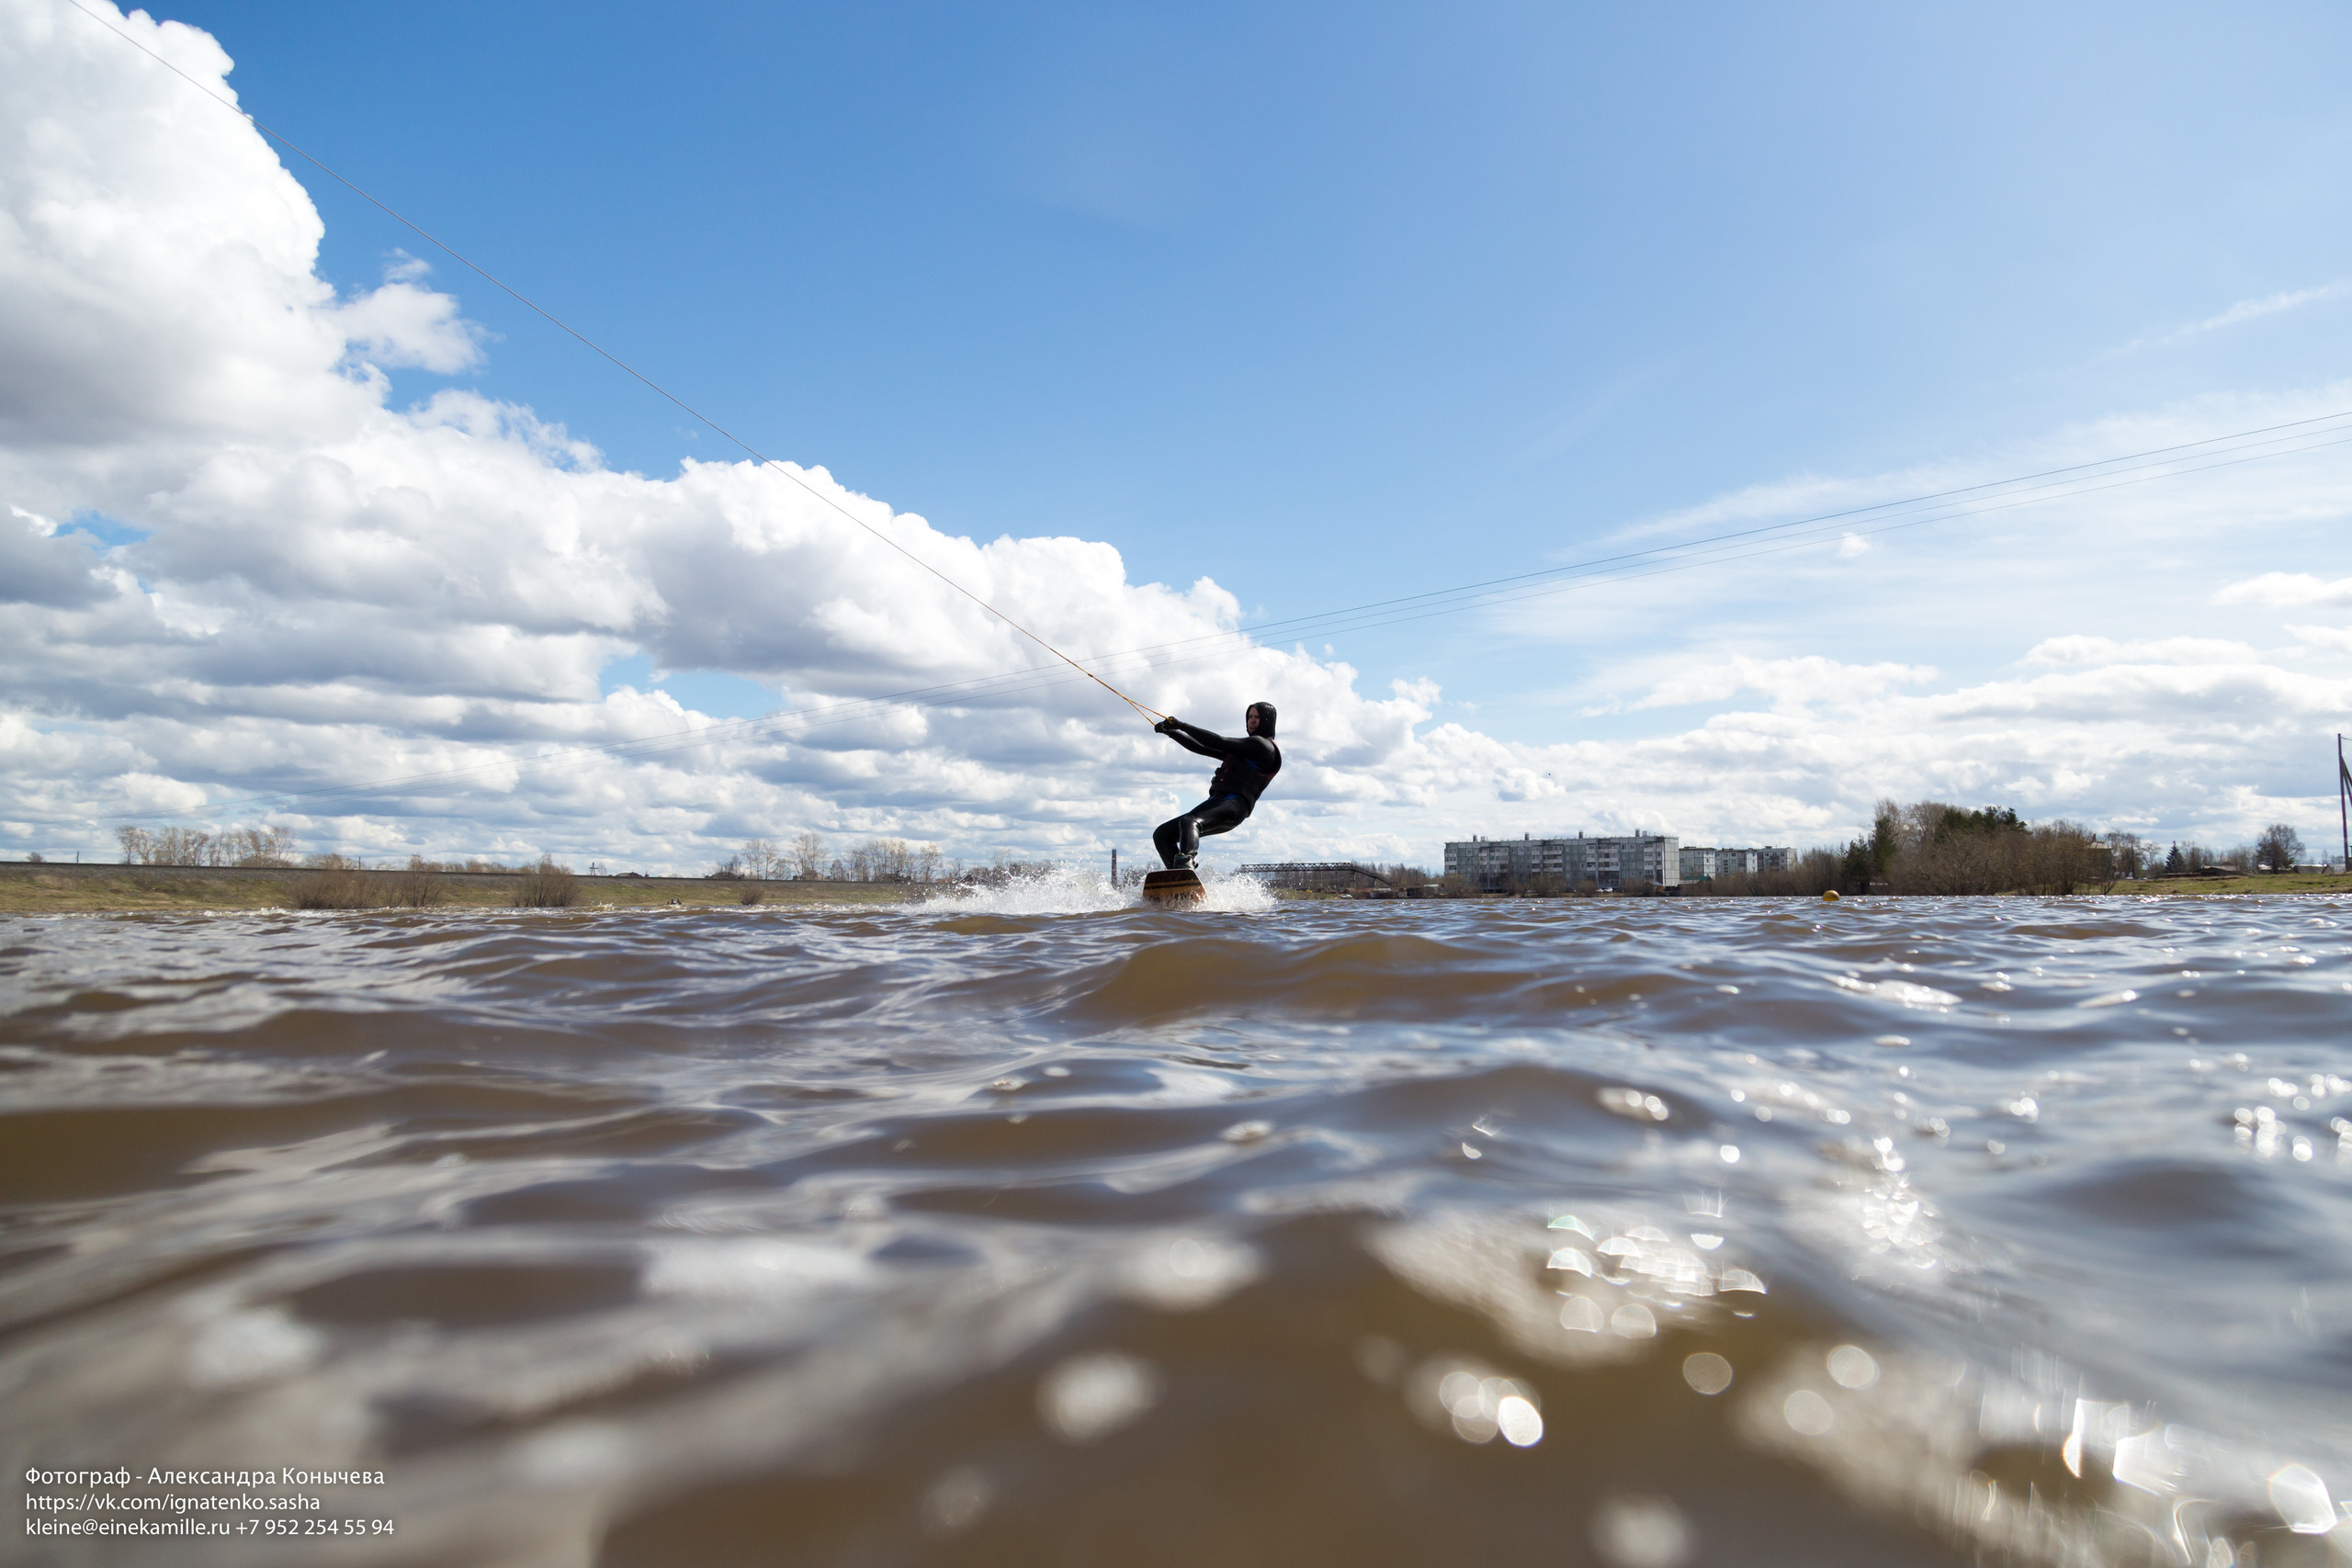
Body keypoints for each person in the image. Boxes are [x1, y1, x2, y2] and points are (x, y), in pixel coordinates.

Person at [1151, 703, 1281, 870]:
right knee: (1162, 835)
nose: (1252, 721)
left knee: (1189, 821)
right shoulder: (1244, 750)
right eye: (1250, 717)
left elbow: (1220, 741)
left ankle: (1186, 863)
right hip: (1220, 802)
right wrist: (1171, 733)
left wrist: (1182, 726)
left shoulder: (1263, 746)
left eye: (1257, 717)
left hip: (1234, 804)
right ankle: (1178, 879)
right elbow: (1201, 747)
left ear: (1267, 721)